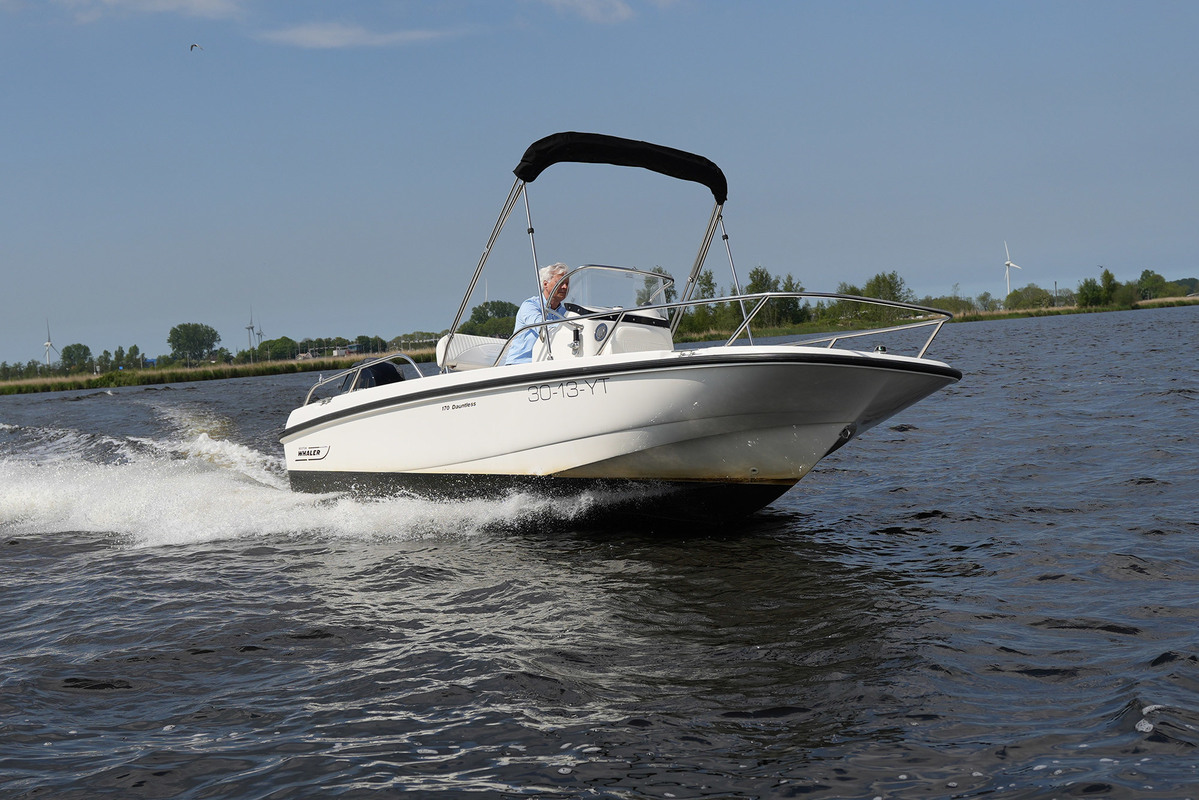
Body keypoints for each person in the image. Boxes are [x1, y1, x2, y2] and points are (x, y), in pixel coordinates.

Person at [504, 263, 570, 364]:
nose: (565, 287)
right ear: (545, 284)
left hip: (548, 365)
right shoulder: (530, 306)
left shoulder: (565, 313)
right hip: (520, 365)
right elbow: (542, 327)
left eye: (567, 283)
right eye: (560, 283)